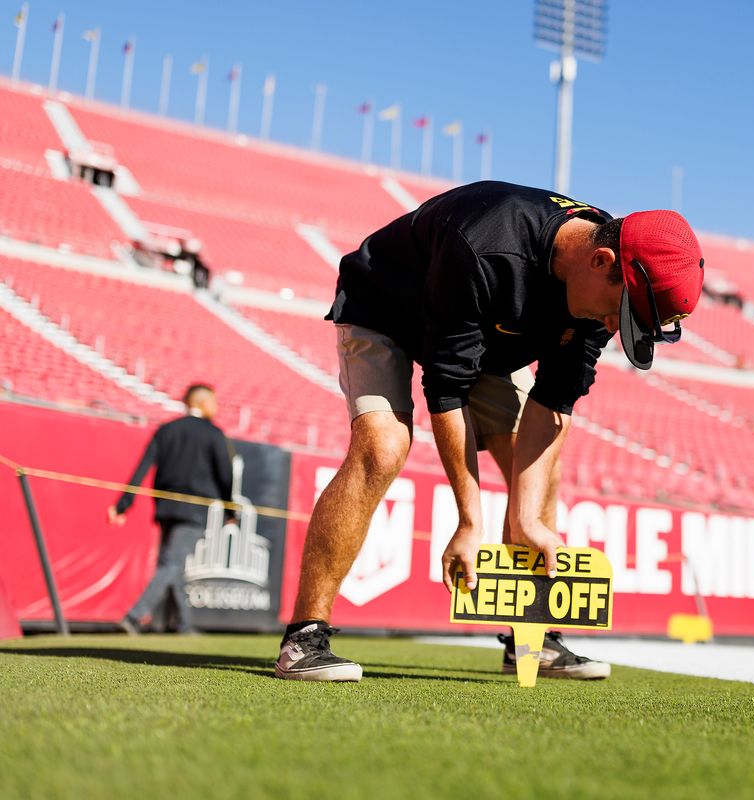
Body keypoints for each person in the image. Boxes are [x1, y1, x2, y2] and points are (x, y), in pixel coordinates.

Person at [275, 181, 704, 682]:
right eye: (621, 311)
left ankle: (529, 639)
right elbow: (446, 391)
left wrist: (526, 518)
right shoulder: (483, 244)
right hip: (387, 306)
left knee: (539, 470)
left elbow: (553, 405)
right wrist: (469, 521)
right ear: (601, 260)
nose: (613, 324)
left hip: (485, 338)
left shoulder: (610, 277)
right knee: (384, 446)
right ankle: (304, 637)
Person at [108, 384, 233, 634]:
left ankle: (183, 624)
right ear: (204, 403)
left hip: (165, 506)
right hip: (194, 510)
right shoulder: (214, 434)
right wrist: (231, 511)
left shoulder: (167, 430)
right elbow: (225, 476)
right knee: (171, 563)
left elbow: (142, 468)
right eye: (215, 402)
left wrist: (123, 505)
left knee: (172, 563)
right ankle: (133, 617)